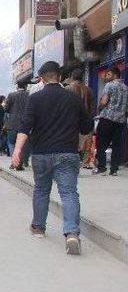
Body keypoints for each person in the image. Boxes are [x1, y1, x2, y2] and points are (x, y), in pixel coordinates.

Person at [12, 61, 92, 254]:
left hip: (41, 154)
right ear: (60, 77)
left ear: (41, 78)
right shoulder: (74, 99)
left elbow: (25, 127)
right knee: (69, 193)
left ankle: (38, 227)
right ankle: (72, 233)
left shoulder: (35, 99)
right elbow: (87, 128)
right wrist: (81, 143)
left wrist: (17, 151)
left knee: (41, 190)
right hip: (67, 153)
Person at [93, 67, 128, 176]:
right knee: (117, 145)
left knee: (101, 143)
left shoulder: (109, 85)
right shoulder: (125, 88)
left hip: (107, 118)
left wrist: (99, 108)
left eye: (108, 74)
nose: (106, 77)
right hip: (120, 120)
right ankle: (114, 169)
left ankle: (102, 167)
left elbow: (104, 101)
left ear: (115, 75)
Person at [66, 68, 95, 169]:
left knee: (72, 143)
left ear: (72, 77)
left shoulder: (68, 89)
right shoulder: (89, 90)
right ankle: (86, 162)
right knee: (86, 142)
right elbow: (92, 107)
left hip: (71, 121)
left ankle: (73, 164)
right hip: (85, 120)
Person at [5, 82, 30, 170]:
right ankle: (21, 163)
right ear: (26, 86)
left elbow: (6, 109)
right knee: (23, 144)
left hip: (12, 123)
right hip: (25, 123)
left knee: (11, 143)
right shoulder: (29, 95)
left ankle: (14, 162)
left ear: (17, 87)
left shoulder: (11, 95)